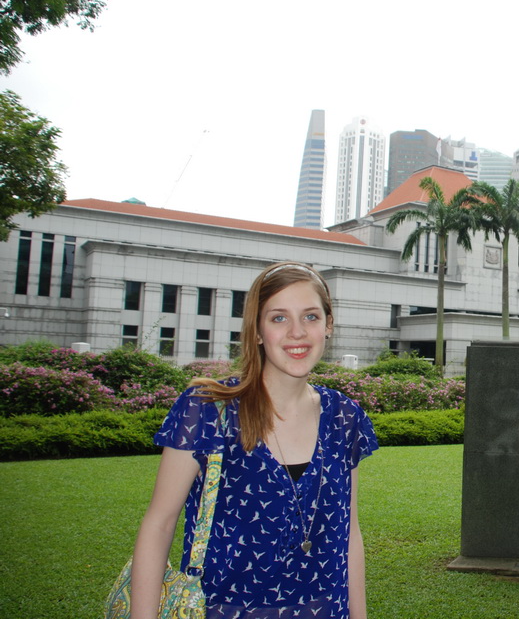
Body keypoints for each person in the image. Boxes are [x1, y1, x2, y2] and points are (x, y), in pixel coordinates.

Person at [130, 261, 378, 619]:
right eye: (279, 318)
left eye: (310, 317)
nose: (297, 332)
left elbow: (349, 534)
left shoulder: (344, 417)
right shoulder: (209, 410)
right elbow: (160, 524)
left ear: (328, 326)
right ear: (258, 331)